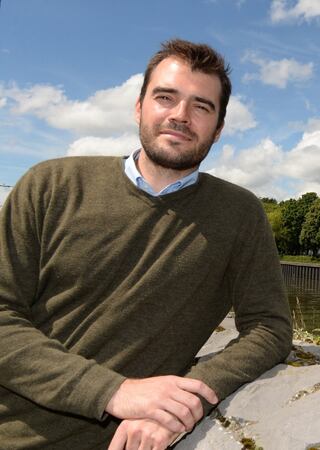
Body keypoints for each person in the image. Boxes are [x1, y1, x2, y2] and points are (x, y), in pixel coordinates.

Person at [0, 39, 292, 449]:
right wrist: (114, 392)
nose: (180, 115)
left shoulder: (240, 214)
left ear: (219, 128)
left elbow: (270, 327)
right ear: (139, 107)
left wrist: (189, 397)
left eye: (201, 106)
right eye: (165, 97)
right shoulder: (50, 185)